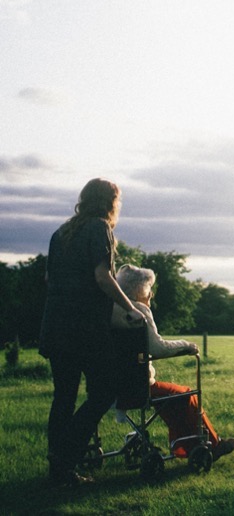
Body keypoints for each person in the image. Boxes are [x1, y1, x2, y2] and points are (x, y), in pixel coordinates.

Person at [39, 178, 146, 486]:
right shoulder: (100, 228)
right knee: (104, 392)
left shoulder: (60, 233)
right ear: (109, 202)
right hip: (83, 329)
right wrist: (130, 308)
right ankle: (66, 456)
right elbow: (102, 277)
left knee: (64, 397)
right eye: (118, 200)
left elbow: (50, 278)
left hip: (55, 326)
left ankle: (58, 468)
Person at [111, 264, 234, 462]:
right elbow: (158, 348)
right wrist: (186, 346)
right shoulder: (139, 310)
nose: (151, 294)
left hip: (112, 386)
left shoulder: (110, 309)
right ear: (139, 290)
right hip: (138, 387)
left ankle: (185, 446)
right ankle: (212, 444)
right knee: (185, 394)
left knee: (172, 397)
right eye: (149, 288)